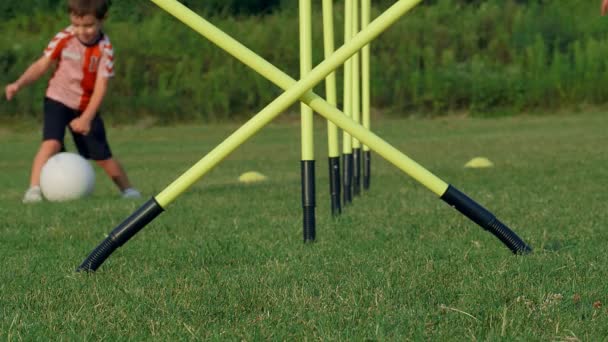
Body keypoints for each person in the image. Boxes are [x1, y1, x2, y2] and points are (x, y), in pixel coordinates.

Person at [4, 0, 141, 203]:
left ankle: (128, 190)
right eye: (76, 25)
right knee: (51, 143)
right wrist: (18, 84)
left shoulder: (105, 48)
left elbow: (101, 87)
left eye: (88, 25)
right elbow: (42, 64)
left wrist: (86, 118)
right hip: (57, 98)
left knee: (102, 155)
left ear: (103, 20)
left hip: (86, 106)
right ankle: (33, 190)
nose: (81, 31)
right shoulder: (64, 37)